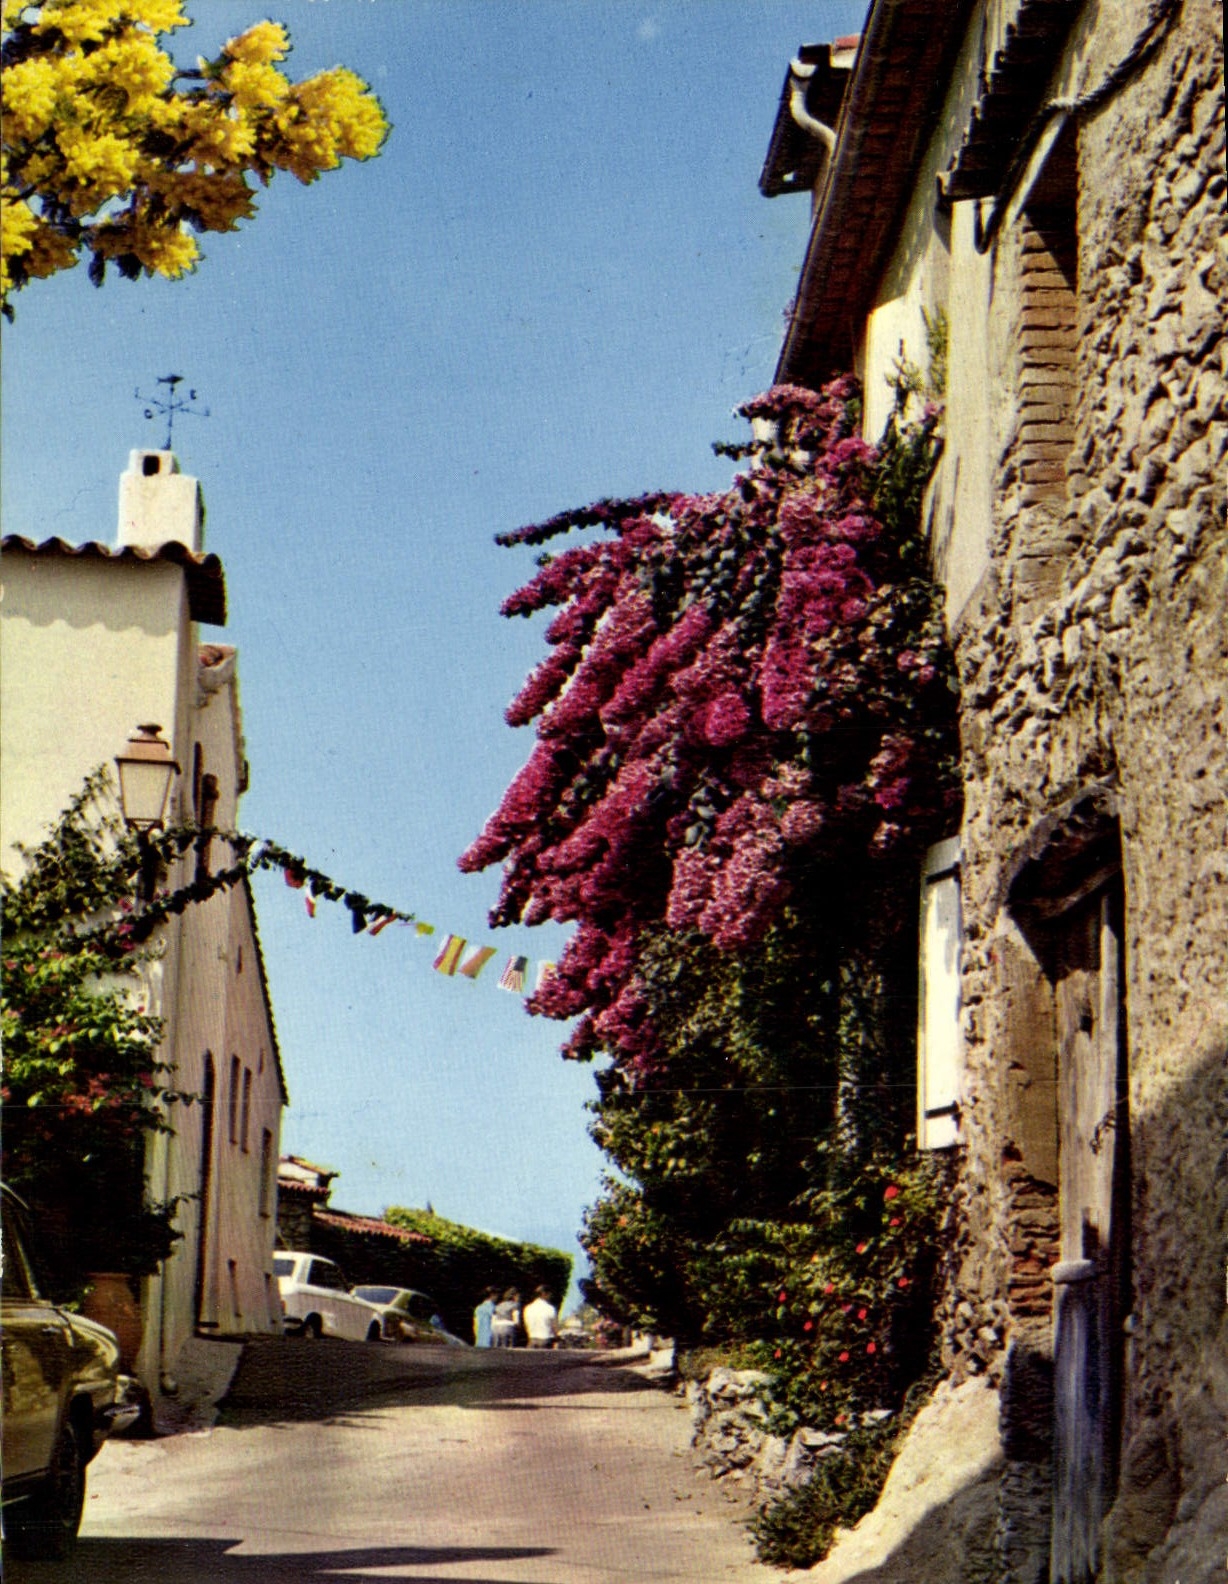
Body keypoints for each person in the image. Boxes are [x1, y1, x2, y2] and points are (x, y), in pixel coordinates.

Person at [522, 1285, 559, 1349]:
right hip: (546, 1339)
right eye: (550, 1294)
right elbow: (554, 1326)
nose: (550, 1296)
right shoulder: (550, 1308)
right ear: (545, 1294)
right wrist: (557, 1339)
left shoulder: (528, 1308)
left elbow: (526, 1324)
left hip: (532, 1338)